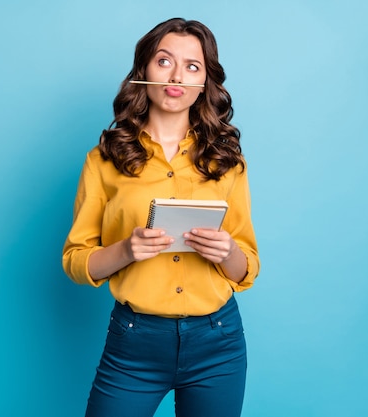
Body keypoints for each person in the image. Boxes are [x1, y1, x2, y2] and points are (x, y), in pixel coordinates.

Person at [62, 18, 260, 417]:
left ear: (206, 81)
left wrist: (225, 252)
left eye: (192, 66)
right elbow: (75, 260)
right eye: (164, 60)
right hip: (134, 342)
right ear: (143, 72)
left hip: (218, 341)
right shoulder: (103, 160)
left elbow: (247, 268)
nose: (176, 75)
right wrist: (126, 249)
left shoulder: (228, 161)